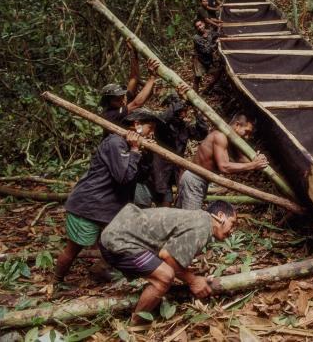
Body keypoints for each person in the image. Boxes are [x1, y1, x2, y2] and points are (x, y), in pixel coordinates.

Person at [54, 108, 163, 283]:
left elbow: (140, 177)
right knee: (73, 250)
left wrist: (146, 154)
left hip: (109, 209)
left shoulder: (130, 145)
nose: (152, 133)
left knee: (120, 240)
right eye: (151, 127)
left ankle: (100, 270)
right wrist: (135, 150)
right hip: (89, 206)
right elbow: (124, 177)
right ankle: (56, 282)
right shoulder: (115, 143)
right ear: (137, 126)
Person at [99, 200, 237, 324]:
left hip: (117, 233)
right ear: (220, 216)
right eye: (233, 223)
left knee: (166, 271)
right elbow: (167, 255)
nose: (232, 231)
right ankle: (135, 323)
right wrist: (193, 281)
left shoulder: (200, 219)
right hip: (118, 241)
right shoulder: (203, 226)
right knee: (165, 277)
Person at [135, 84, 209, 207]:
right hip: (155, 173)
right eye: (180, 110)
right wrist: (182, 101)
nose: (183, 114)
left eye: (184, 111)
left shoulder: (183, 127)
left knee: (166, 207)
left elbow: (202, 133)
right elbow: (165, 117)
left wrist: (196, 110)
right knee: (143, 208)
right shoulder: (162, 124)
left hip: (170, 175)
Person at [178, 114, 268, 210]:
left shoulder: (229, 139)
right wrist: (253, 165)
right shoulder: (220, 136)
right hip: (194, 180)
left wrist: (255, 160)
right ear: (237, 125)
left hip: (199, 181)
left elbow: (239, 158)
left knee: (184, 218)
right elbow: (224, 166)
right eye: (247, 132)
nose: (247, 137)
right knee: (190, 219)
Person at [99, 44, 159, 133]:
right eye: (117, 100)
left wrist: (133, 53)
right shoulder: (109, 115)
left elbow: (134, 78)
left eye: (122, 97)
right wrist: (152, 77)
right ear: (109, 102)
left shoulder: (123, 101)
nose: (122, 100)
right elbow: (136, 103)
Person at [192, 19, 223, 92]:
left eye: (200, 25)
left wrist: (224, 33)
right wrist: (215, 44)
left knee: (218, 72)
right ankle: (194, 95)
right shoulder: (196, 38)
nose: (200, 27)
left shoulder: (209, 32)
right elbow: (207, 50)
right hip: (199, 59)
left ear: (203, 24)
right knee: (198, 77)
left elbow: (218, 34)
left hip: (208, 59)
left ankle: (207, 89)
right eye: (197, 27)